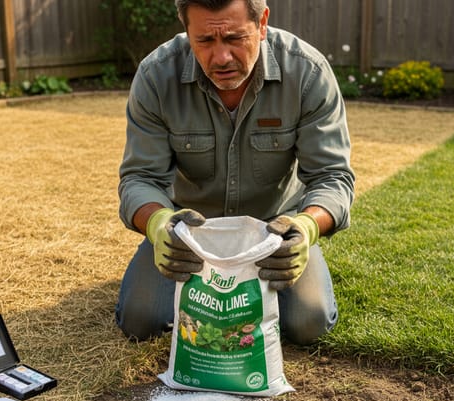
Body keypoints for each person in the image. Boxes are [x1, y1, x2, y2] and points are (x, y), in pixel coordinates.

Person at [115, 0, 355, 346]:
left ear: (262, 23)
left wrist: (305, 227)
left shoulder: (307, 73)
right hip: (191, 236)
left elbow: (333, 176)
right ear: (185, 31)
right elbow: (139, 178)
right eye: (205, 41)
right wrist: (158, 225)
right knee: (141, 321)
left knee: (309, 322)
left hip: (275, 233)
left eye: (234, 38)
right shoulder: (156, 76)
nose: (221, 57)